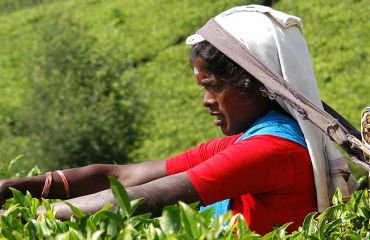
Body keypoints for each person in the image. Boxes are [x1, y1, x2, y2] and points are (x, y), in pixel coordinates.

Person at [0, 5, 357, 235]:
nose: (205, 101)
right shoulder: (249, 140)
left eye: (214, 87)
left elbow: (149, 196)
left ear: (256, 85)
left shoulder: (271, 149)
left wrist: (26, 218)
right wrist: (21, 187)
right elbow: (122, 175)